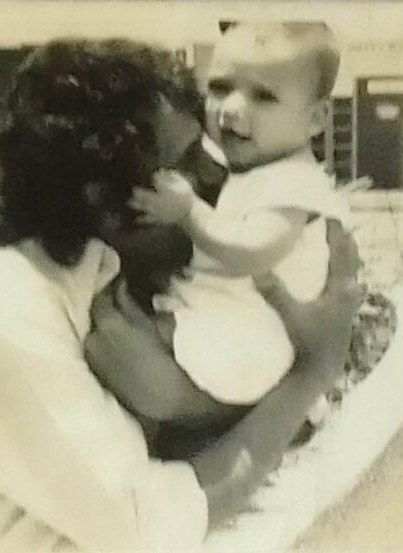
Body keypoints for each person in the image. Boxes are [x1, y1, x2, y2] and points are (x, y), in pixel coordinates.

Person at [0, 38, 361, 553]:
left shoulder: (111, 259)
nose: (213, 174)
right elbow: (150, 524)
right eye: (182, 164)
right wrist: (313, 373)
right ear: (101, 196)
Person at [129, 23, 348, 428]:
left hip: (251, 334)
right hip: (233, 312)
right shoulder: (258, 169)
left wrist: (188, 212)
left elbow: (254, 252)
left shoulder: (296, 181)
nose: (230, 108)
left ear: (316, 119)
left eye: (263, 96)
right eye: (219, 88)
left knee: (126, 343)